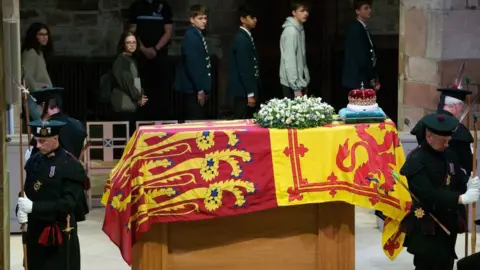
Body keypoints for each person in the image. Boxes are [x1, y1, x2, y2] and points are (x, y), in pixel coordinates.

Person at [400, 113, 480, 270]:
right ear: (429, 136)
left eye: (448, 140)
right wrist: (460, 199)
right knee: (429, 264)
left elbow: (457, 176)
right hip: (427, 225)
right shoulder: (416, 160)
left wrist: (469, 183)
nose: (447, 144)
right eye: (443, 141)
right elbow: (428, 194)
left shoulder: (448, 154)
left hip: (448, 223)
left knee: (446, 262)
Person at [16, 119, 89, 270]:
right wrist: (20, 210)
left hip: (58, 236)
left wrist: (34, 208)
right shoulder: (34, 161)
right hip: (35, 234)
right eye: (36, 141)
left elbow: (67, 204)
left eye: (43, 141)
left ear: (55, 138)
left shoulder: (71, 166)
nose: (38, 145)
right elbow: (27, 192)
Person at [128, 0, 173, 121]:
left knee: (160, 91)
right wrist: (143, 49)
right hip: (140, 57)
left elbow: (168, 31)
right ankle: (140, 121)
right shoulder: (136, 7)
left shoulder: (164, 7)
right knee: (140, 88)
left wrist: (155, 49)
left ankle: (160, 121)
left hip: (160, 56)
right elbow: (132, 32)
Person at [174, 4, 212, 120]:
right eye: (200, 18)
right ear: (192, 20)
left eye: (205, 18)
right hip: (192, 89)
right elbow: (192, 65)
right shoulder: (191, 36)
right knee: (195, 120)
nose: (204, 21)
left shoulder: (197, 35)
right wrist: (200, 88)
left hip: (197, 88)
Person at [27, 87, 87, 160]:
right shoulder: (78, 124)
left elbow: (35, 159)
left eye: (39, 107)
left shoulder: (45, 128)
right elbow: (82, 151)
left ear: (43, 105)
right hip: (74, 168)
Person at [111, 31, 148, 136]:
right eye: (128, 42)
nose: (132, 45)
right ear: (123, 44)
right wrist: (138, 97)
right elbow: (126, 82)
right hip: (123, 104)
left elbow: (135, 80)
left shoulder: (131, 60)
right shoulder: (121, 61)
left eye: (134, 42)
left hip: (131, 103)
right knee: (124, 134)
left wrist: (141, 95)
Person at [228, 5, 261, 119]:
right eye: (251, 17)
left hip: (245, 91)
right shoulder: (241, 39)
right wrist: (250, 93)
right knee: (242, 120)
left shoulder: (246, 37)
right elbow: (244, 69)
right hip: (242, 91)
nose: (255, 20)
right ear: (242, 19)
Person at [342, 0, 379, 94]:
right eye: (366, 8)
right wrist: (371, 77)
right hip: (358, 78)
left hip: (363, 77)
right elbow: (361, 56)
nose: (369, 10)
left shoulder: (362, 28)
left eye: (370, 8)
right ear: (357, 11)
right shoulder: (355, 29)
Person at [436, 87, 474, 175]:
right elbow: (468, 164)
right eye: (461, 106)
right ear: (456, 106)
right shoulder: (459, 129)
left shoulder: (427, 122)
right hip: (452, 179)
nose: (461, 110)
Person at [21, 22, 54, 121]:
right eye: (41, 34)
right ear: (34, 36)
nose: (45, 37)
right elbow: (27, 76)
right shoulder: (30, 53)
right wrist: (38, 92)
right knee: (43, 126)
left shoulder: (39, 53)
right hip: (35, 98)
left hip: (43, 97)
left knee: (48, 125)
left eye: (46, 34)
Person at [279, 1, 310, 99]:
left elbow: (301, 58)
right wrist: (295, 87)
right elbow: (289, 60)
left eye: (307, 11)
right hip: (291, 84)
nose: (306, 13)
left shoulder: (299, 29)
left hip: (299, 81)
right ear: (294, 13)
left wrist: (305, 80)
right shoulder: (291, 32)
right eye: (302, 11)